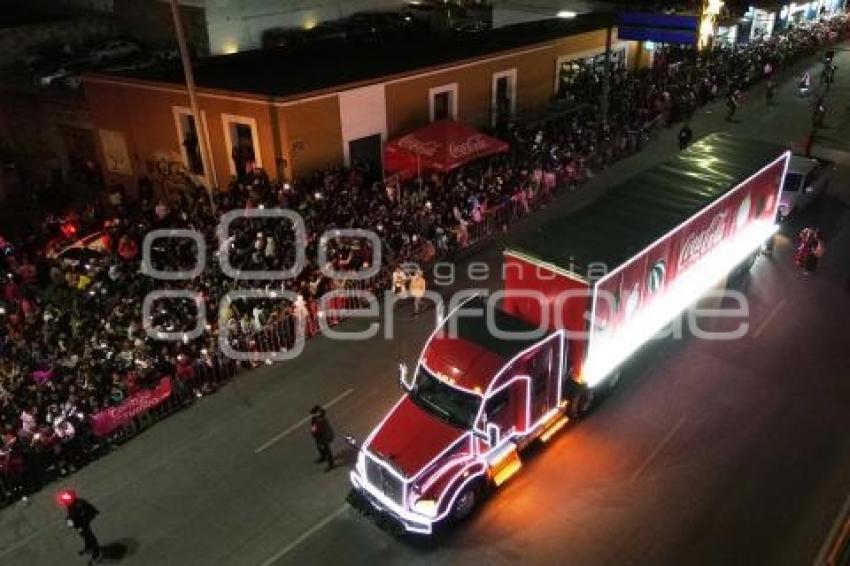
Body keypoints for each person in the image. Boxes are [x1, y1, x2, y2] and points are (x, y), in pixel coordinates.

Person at [59, 489, 101, 564]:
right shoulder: (71, 505)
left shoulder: (79, 504)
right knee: (84, 536)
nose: (65, 502)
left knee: (89, 536)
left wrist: (83, 526)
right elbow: (72, 515)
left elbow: (86, 514)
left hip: (83, 523)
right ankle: (88, 547)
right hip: (79, 524)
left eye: (67, 499)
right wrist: (70, 521)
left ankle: (96, 553)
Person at [309, 405, 335, 472]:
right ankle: (323, 457)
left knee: (326, 449)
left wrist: (324, 439)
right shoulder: (315, 419)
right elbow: (313, 427)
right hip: (318, 436)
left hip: (324, 437)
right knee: (319, 447)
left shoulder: (321, 420)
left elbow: (324, 430)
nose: (312, 414)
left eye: (314, 413)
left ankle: (331, 464)